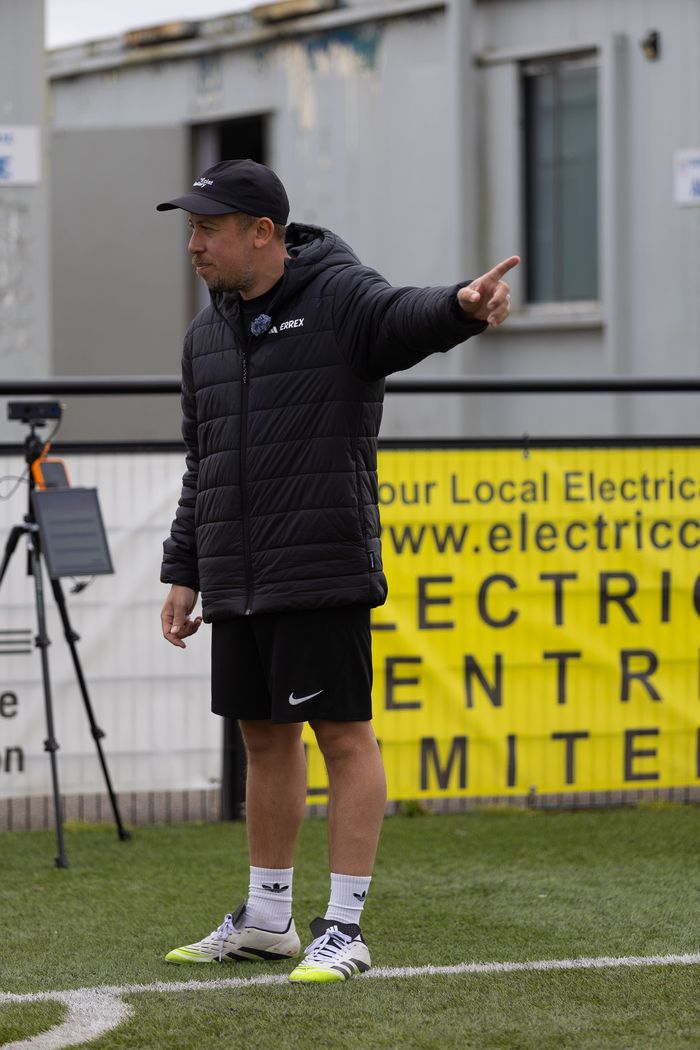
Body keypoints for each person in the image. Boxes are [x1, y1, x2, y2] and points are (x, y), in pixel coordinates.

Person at [158, 158, 517, 983]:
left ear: (263, 234)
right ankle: (269, 920)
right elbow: (201, 463)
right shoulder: (206, 332)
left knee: (343, 739)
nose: (194, 245)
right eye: (191, 228)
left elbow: (407, 316)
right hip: (237, 573)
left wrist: (463, 303)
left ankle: (345, 928)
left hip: (318, 566)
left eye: (208, 228)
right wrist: (185, 570)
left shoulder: (341, 296)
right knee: (262, 737)